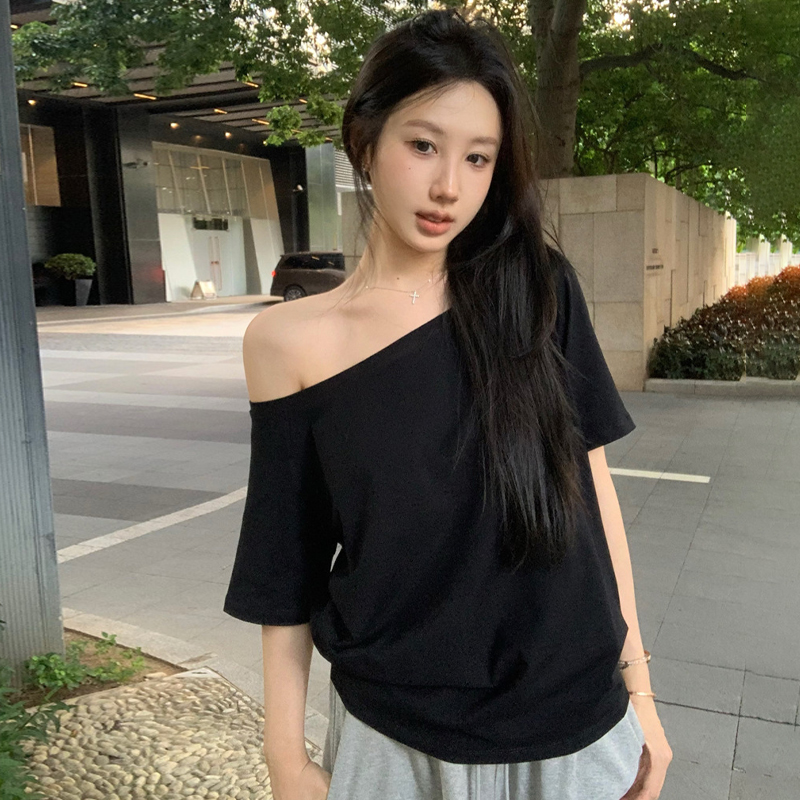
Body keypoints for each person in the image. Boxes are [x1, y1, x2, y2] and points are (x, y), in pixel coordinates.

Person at [224, 7, 672, 800]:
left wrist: (642, 691)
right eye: (423, 145)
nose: (448, 188)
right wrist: (284, 757)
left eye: (478, 158)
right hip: (392, 739)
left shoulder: (537, 290)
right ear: (364, 140)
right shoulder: (286, 343)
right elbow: (283, 566)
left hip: (572, 725)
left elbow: (593, 495)